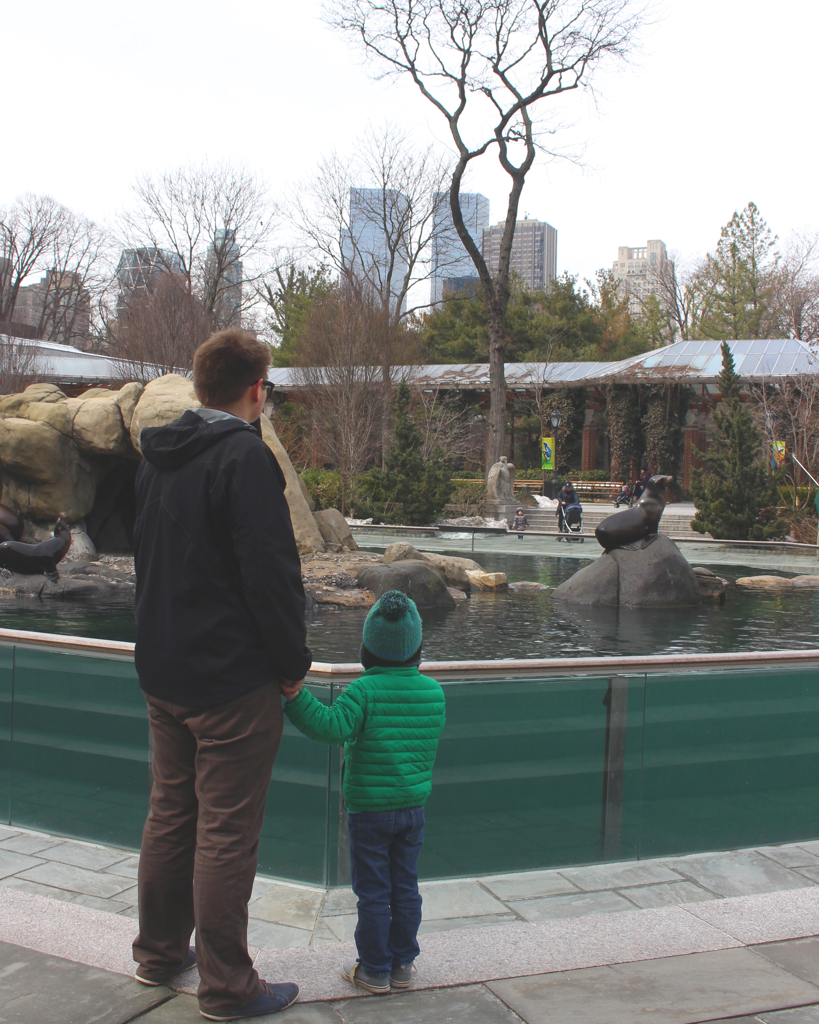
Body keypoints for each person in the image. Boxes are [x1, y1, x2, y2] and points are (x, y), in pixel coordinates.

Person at [131, 328, 311, 1020]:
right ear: (256, 389)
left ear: (200, 385)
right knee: (226, 833)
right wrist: (291, 664)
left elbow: (149, 564)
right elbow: (271, 577)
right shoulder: (244, 456)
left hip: (163, 671)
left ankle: (157, 954)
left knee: (171, 814)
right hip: (231, 682)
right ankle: (228, 987)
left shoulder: (156, 457)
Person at [281, 590, 446, 996]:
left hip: (369, 810)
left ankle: (374, 969)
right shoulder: (433, 693)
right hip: (413, 808)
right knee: (405, 887)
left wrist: (295, 696)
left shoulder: (363, 691)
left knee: (373, 891)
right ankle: (402, 964)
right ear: (418, 649)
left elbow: (329, 726)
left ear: (366, 649)